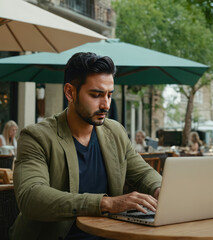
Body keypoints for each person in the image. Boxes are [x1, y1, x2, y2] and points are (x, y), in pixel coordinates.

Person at [10, 52, 162, 240]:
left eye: (109, 95)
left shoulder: (115, 132)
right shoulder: (37, 137)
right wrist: (105, 203)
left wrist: (159, 188)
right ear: (70, 92)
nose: (106, 105)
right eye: (96, 95)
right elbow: (31, 198)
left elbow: (143, 173)